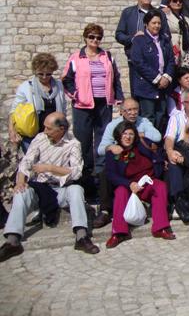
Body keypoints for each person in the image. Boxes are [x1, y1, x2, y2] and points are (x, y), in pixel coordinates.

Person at [0, 113, 100, 262]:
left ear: (61, 129)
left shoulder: (73, 144)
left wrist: (50, 168)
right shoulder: (40, 138)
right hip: (40, 189)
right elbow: (26, 163)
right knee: (21, 192)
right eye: (45, 127)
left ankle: (82, 236)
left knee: (76, 190)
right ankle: (13, 240)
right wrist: (20, 181)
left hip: (61, 189)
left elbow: (76, 172)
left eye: (49, 128)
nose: (45, 131)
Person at [62, 23, 124, 199]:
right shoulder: (76, 58)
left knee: (103, 140)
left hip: (103, 104)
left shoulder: (107, 57)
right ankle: (86, 181)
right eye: (91, 37)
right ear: (85, 38)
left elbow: (116, 78)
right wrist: (76, 95)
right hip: (83, 106)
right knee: (84, 143)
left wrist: (118, 98)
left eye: (98, 37)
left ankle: (101, 180)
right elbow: (66, 80)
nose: (95, 40)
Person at [94, 98, 162, 229]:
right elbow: (100, 149)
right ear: (122, 112)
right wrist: (110, 147)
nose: (133, 113)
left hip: (138, 162)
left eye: (135, 109)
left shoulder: (143, 122)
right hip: (121, 161)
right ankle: (105, 211)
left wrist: (138, 134)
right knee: (105, 173)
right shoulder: (113, 125)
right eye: (129, 110)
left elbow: (157, 137)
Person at [105, 121, 175, 248]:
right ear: (119, 136)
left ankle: (160, 227)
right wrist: (129, 183)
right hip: (128, 185)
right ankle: (119, 232)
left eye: (131, 134)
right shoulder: (113, 152)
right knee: (120, 191)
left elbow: (157, 155)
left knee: (160, 186)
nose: (128, 137)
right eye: (124, 134)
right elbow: (111, 175)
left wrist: (158, 166)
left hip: (147, 181)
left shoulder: (141, 145)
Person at [115, 0, 171, 94]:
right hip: (135, 62)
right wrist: (132, 38)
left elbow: (167, 35)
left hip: (156, 61)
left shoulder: (159, 13)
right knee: (137, 96)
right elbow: (119, 34)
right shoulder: (128, 13)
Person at [9, 53, 66, 154]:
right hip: (32, 135)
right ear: (35, 72)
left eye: (48, 74)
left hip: (53, 134)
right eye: (41, 74)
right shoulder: (26, 87)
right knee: (33, 165)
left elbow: (63, 109)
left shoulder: (59, 86)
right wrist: (12, 131)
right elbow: (14, 110)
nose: (44, 77)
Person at [129, 9, 175, 131]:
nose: (157, 26)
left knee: (161, 116)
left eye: (159, 23)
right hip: (147, 86)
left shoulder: (164, 40)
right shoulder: (139, 40)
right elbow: (139, 62)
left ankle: (158, 147)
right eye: (154, 23)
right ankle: (147, 147)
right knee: (148, 118)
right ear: (147, 24)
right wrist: (157, 78)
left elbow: (171, 60)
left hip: (163, 87)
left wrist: (166, 77)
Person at [163, 0, 189, 64]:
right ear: (169, 2)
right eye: (175, 1)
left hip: (184, 52)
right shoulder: (165, 16)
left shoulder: (186, 19)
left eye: (180, 1)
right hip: (172, 50)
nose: (178, 3)